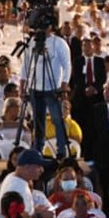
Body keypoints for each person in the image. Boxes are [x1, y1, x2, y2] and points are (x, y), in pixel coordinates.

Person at [20, 14, 72, 159]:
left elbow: (67, 65)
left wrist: (64, 85)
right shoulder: (32, 42)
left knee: (57, 120)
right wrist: (22, 85)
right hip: (35, 87)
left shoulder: (59, 43)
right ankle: (38, 149)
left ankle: (61, 150)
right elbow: (25, 65)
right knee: (38, 121)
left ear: (50, 27)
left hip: (53, 88)